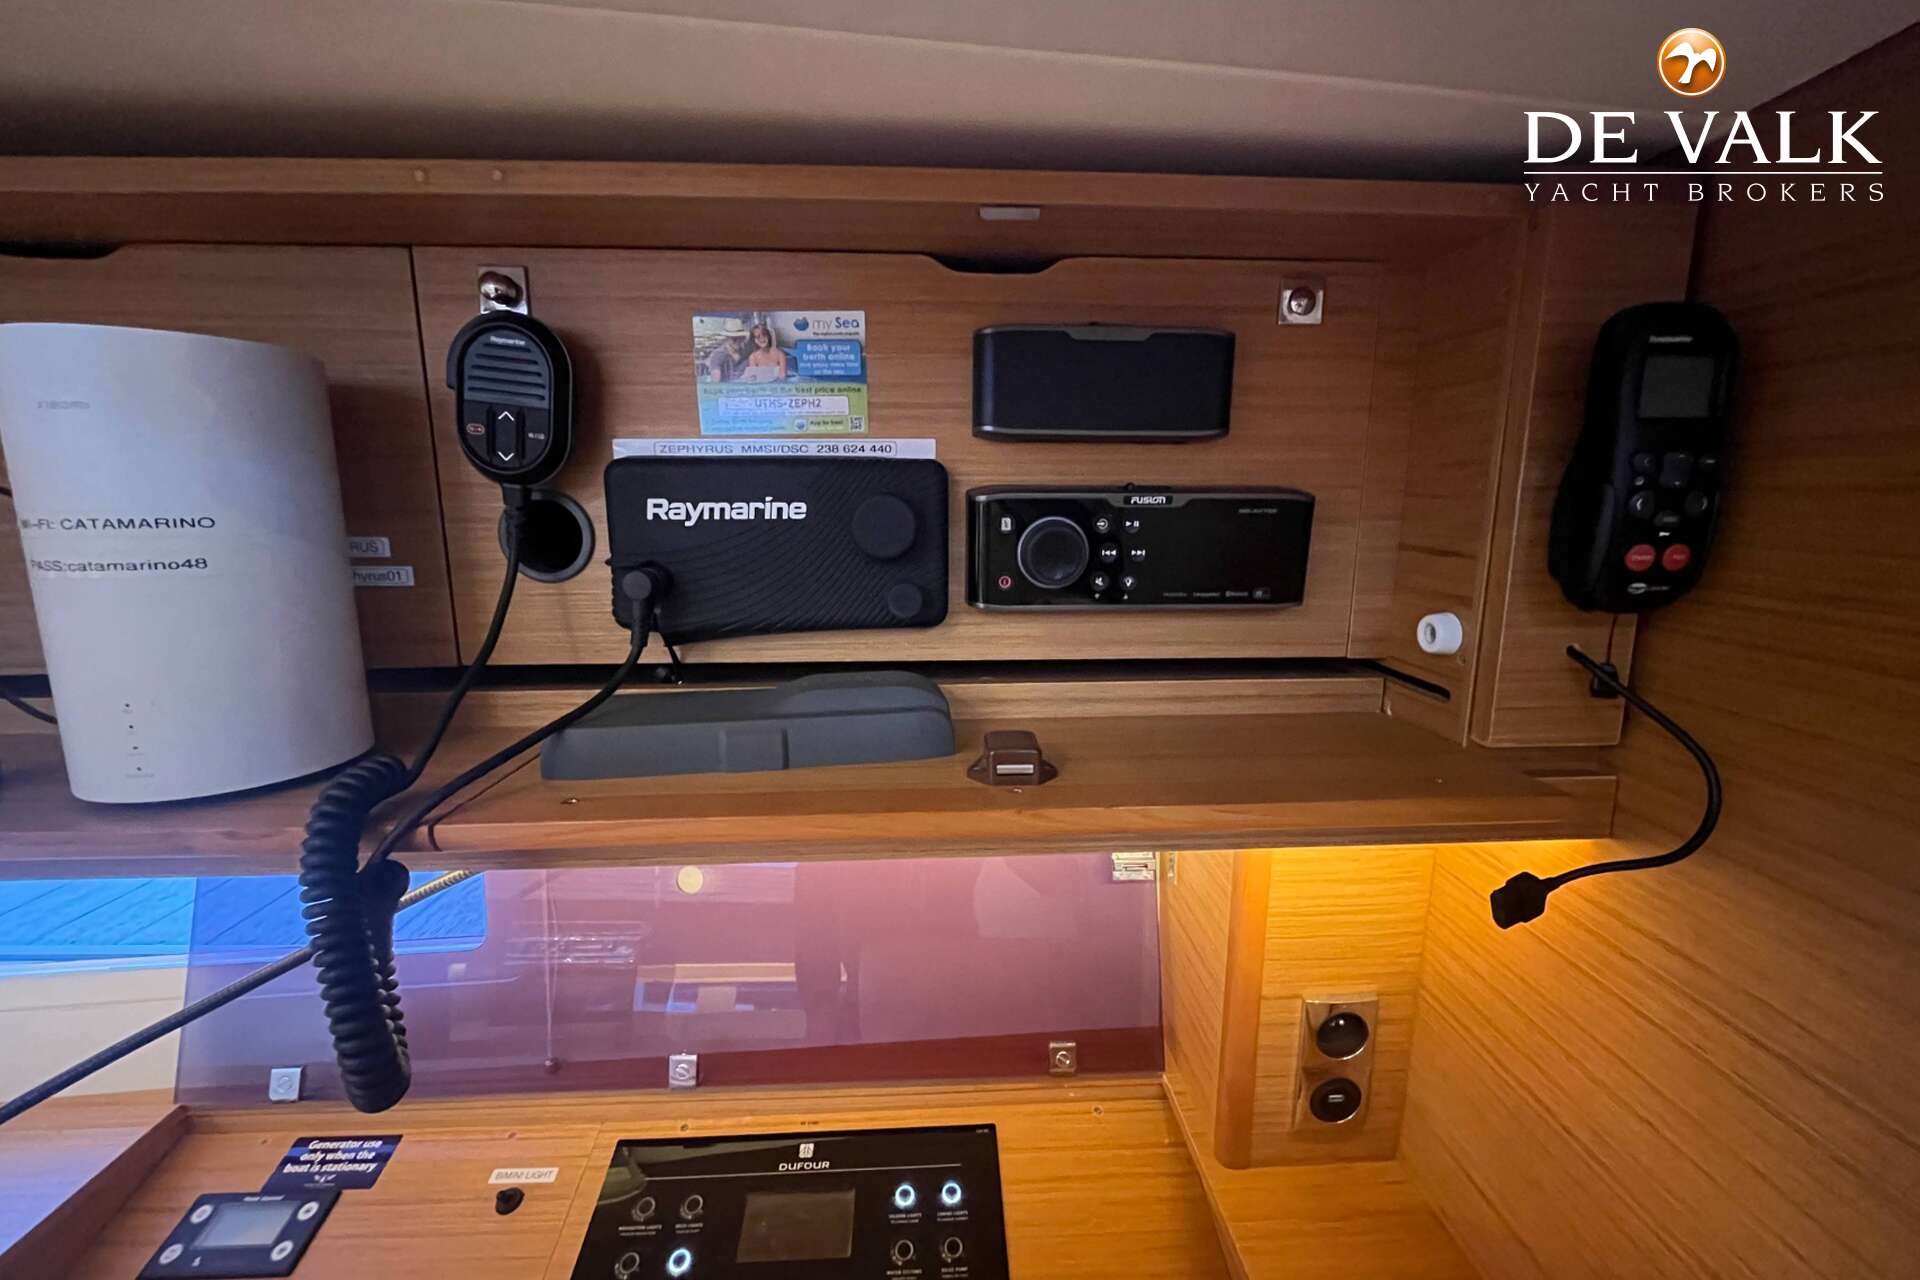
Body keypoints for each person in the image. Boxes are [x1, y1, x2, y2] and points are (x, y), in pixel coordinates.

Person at [702, 317, 750, 382]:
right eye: (734, 339)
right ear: (727, 338)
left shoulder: (745, 353)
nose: (738, 341)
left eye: (740, 338)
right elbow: (715, 382)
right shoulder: (718, 355)